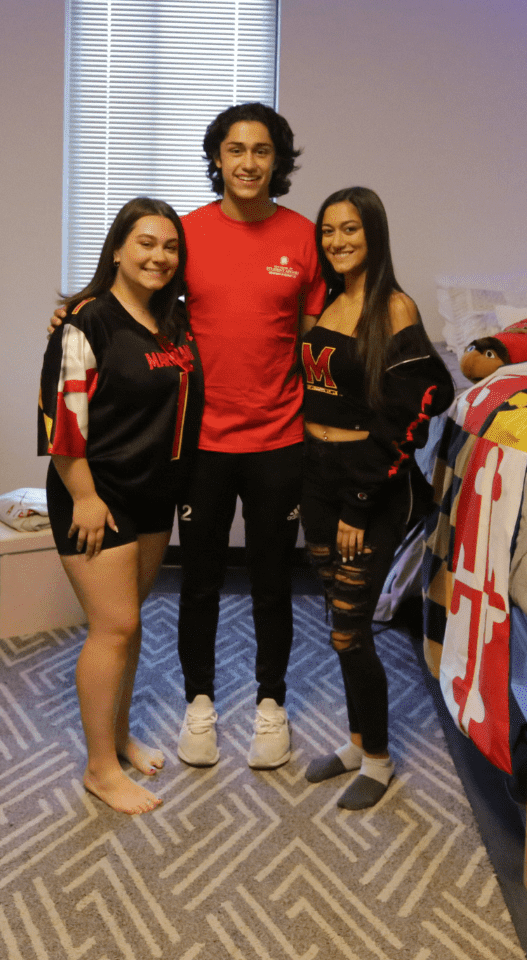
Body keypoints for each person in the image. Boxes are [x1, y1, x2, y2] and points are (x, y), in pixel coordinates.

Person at [172, 104, 326, 769]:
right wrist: (77, 308)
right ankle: (199, 703)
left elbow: (325, 337)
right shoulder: (184, 233)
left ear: (278, 161)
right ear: (216, 158)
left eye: (262, 150)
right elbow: (137, 300)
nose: (247, 162)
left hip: (278, 439)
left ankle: (271, 704)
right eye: (234, 149)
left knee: (271, 579)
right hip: (201, 443)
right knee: (198, 579)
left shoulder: (303, 237)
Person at [38, 197, 202, 814]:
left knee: (128, 624)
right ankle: (99, 769)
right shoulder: (86, 323)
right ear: (116, 249)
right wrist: (82, 494)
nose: (159, 256)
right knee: (116, 626)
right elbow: (62, 423)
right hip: (96, 496)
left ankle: (120, 736)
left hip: (154, 492)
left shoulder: (176, 321)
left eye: (170, 246)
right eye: (145, 243)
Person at [297, 186, 453, 809]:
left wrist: (361, 500)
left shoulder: (393, 307)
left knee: (350, 629)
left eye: (350, 230)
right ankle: (358, 741)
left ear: (375, 235)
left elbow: (422, 403)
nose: (337, 241)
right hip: (318, 480)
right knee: (339, 622)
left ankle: (381, 760)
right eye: (329, 230)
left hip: (369, 488)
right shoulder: (331, 302)